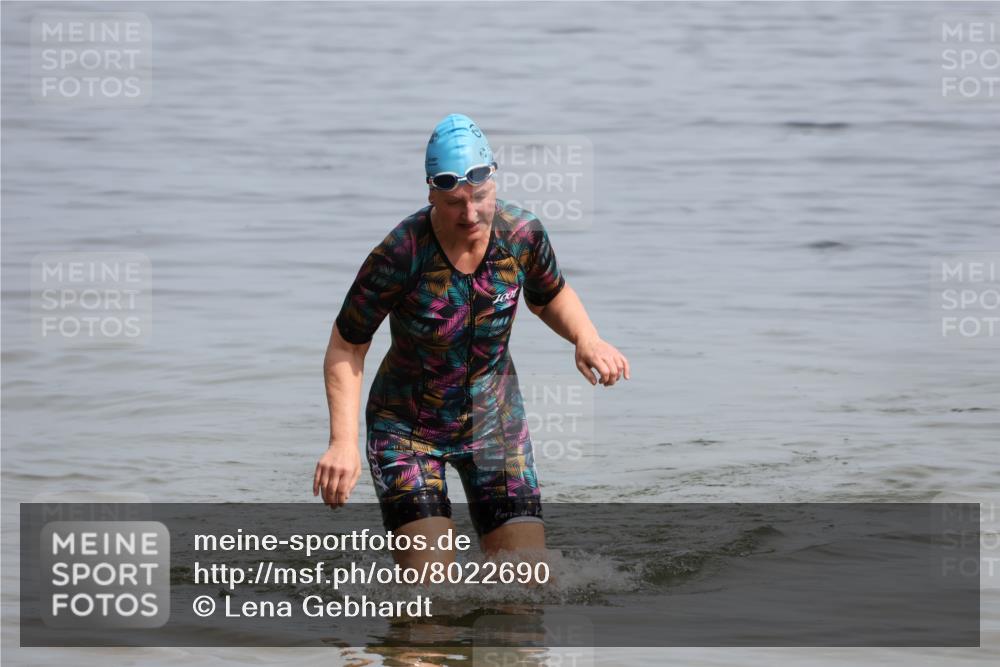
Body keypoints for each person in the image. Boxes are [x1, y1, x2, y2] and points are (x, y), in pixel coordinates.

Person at [314, 113, 630, 569]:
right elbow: (347, 344)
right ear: (431, 194)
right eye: (454, 202)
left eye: (480, 197)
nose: (470, 213)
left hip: (495, 426)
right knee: (431, 593)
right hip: (407, 433)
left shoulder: (521, 235)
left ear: (494, 181)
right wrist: (342, 442)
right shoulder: (400, 253)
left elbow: (550, 295)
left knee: (526, 586)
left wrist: (586, 337)